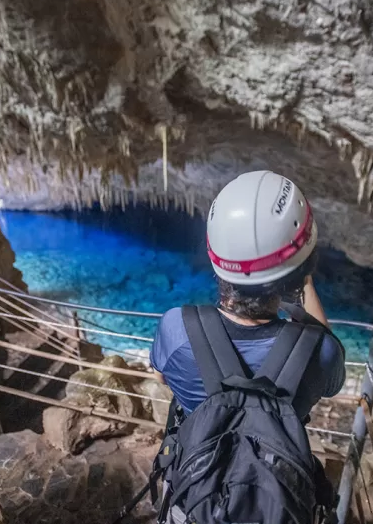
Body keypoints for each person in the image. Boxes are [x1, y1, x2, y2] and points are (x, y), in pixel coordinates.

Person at [148, 170, 346, 524]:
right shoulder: (320, 351)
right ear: (303, 267)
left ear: (215, 256)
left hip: (194, 496)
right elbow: (328, 362)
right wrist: (301, 278)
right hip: (275, 498)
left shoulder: (176, 328)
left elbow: (163, 378)